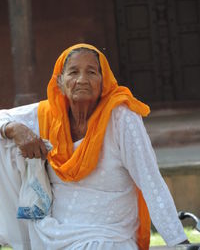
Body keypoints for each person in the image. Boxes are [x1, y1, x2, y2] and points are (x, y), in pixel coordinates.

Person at [0, 43, 189, 250]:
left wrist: (178, 242)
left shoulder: (121, 118)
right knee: (4, 142)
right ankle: (17, 236)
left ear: (104, 81)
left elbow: (151, 181)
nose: (82, 80)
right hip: (51, 233)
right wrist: (14, 128)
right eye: (73, 72)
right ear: (60, 82)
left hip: (106, 237)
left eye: (91, 72)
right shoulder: (48, 114)